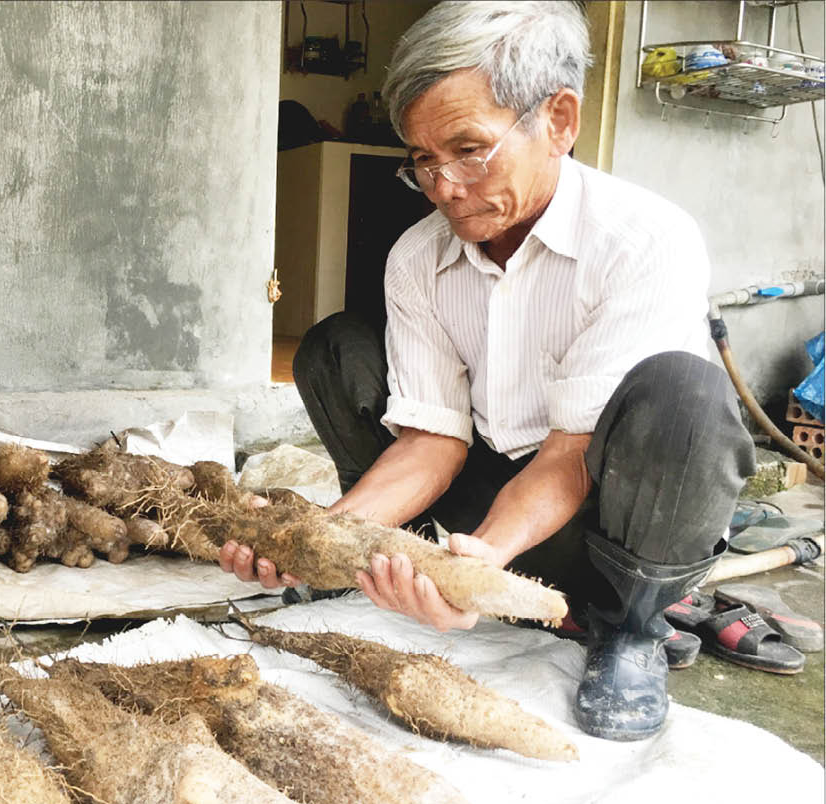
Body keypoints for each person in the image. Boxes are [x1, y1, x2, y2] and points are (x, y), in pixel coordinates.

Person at [221, 1, 756, 741]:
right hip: (489, 503)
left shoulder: (644, 240)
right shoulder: (418, 257)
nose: (444, 186)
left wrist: (477, 569)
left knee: (688, 396)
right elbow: (432, 442)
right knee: (336, 346)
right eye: (423, 160)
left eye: (469, 150)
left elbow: (572, 454)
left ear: (559, 121)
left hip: (606, 524)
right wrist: (315, 536)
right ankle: (383, 564)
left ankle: (632, 629)